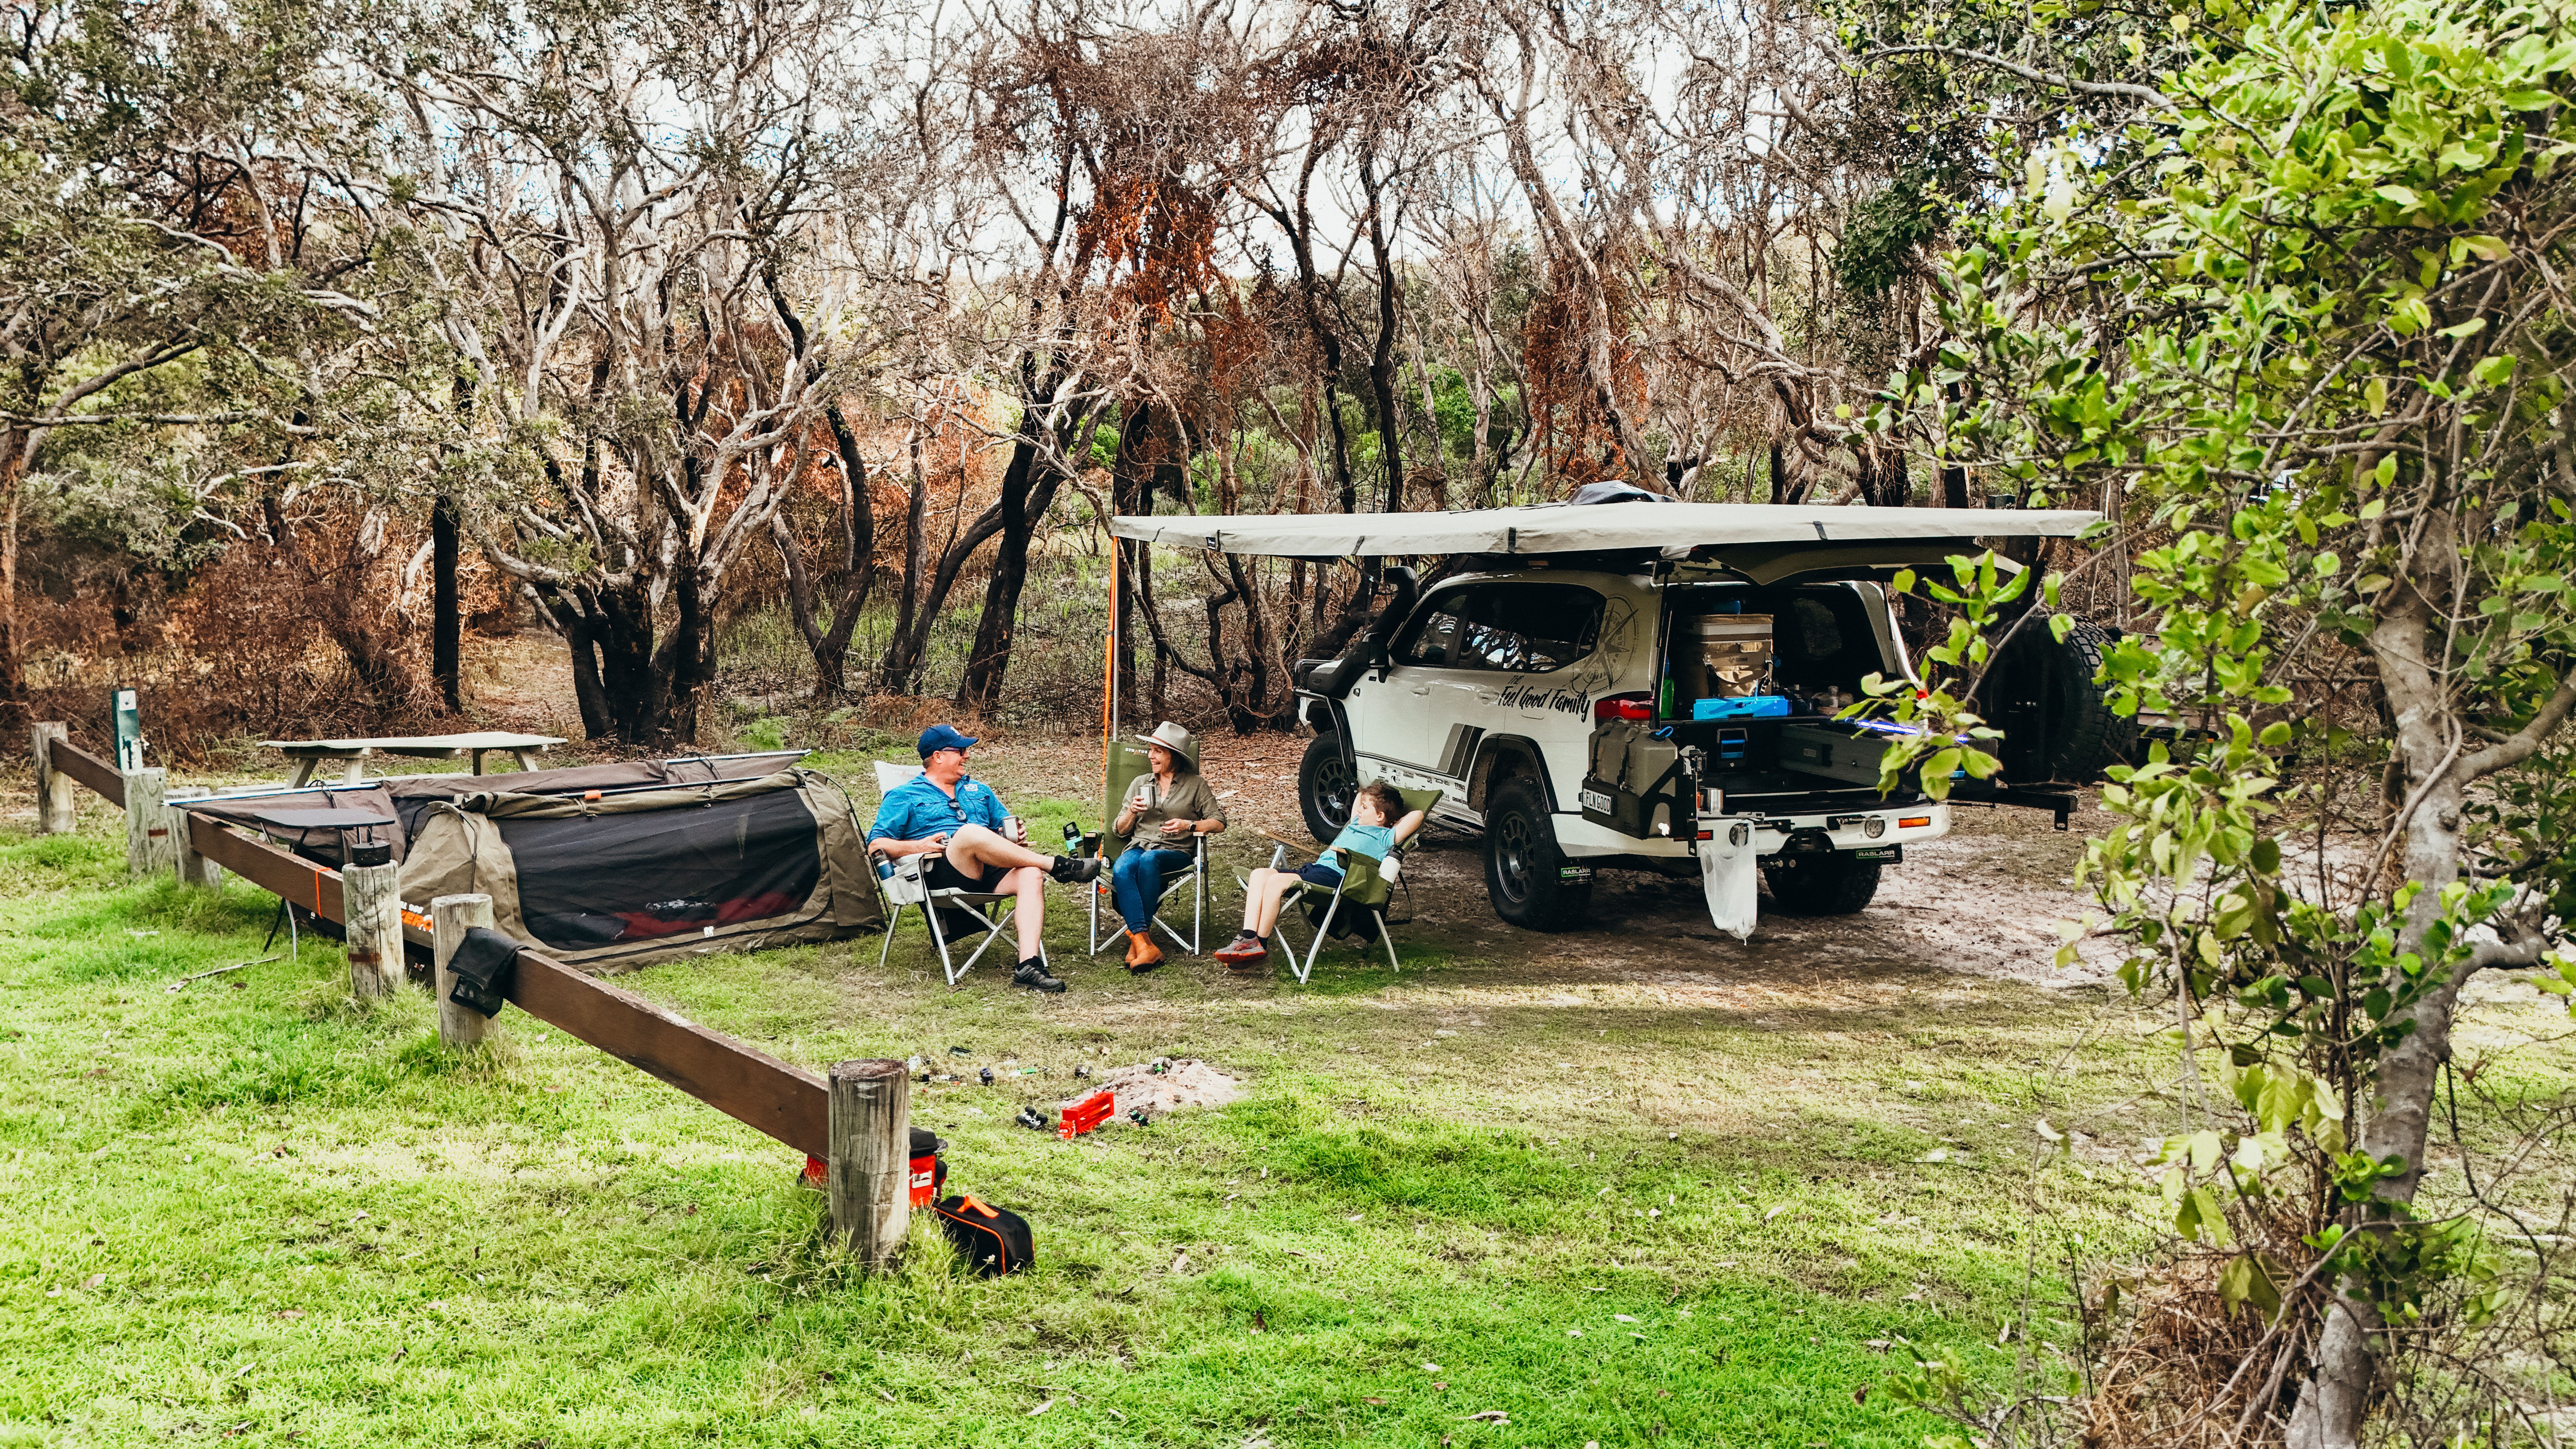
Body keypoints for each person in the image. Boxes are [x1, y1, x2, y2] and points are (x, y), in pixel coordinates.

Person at [868, 724, 1100, 993]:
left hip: (989, 869)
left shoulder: (980, 790)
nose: (967, 756)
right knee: (967, 834)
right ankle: (1056, 866)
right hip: (941, 870)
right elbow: (876, 844)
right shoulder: (904, 796)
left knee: (1030, 874)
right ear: (938, 757)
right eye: (961, 751)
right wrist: (917, 845)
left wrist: (1011, 835)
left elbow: (1003, 826)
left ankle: (1029, 966)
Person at [1214, 780, 1422, 970]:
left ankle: (1260, 944)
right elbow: (1360, 795)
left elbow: (1418, 815)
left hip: (1340, 879)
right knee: (1260, 874)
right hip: (1316, 870)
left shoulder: (1386, 836)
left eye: (1365, 808)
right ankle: (1249, 938)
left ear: (1380, 817)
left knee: (1277, 881)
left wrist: (1395, 820)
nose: (1358, 810)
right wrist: (1371, 796)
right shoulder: (1355, 825)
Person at [1107, 721, 1228, 972]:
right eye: (1150, 750)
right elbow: (1119, 829)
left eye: (1158, 751)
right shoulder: (1140, 783)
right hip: (1139, 846)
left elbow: (1219, 823)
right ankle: (1143, 943)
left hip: (1176, 852)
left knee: (1150, 862)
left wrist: (1189, 825)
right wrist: (1132, 812)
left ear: (1175, 756)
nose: (1151, 756)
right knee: (1122, 868)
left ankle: (1139, 943)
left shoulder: (1196, 785)